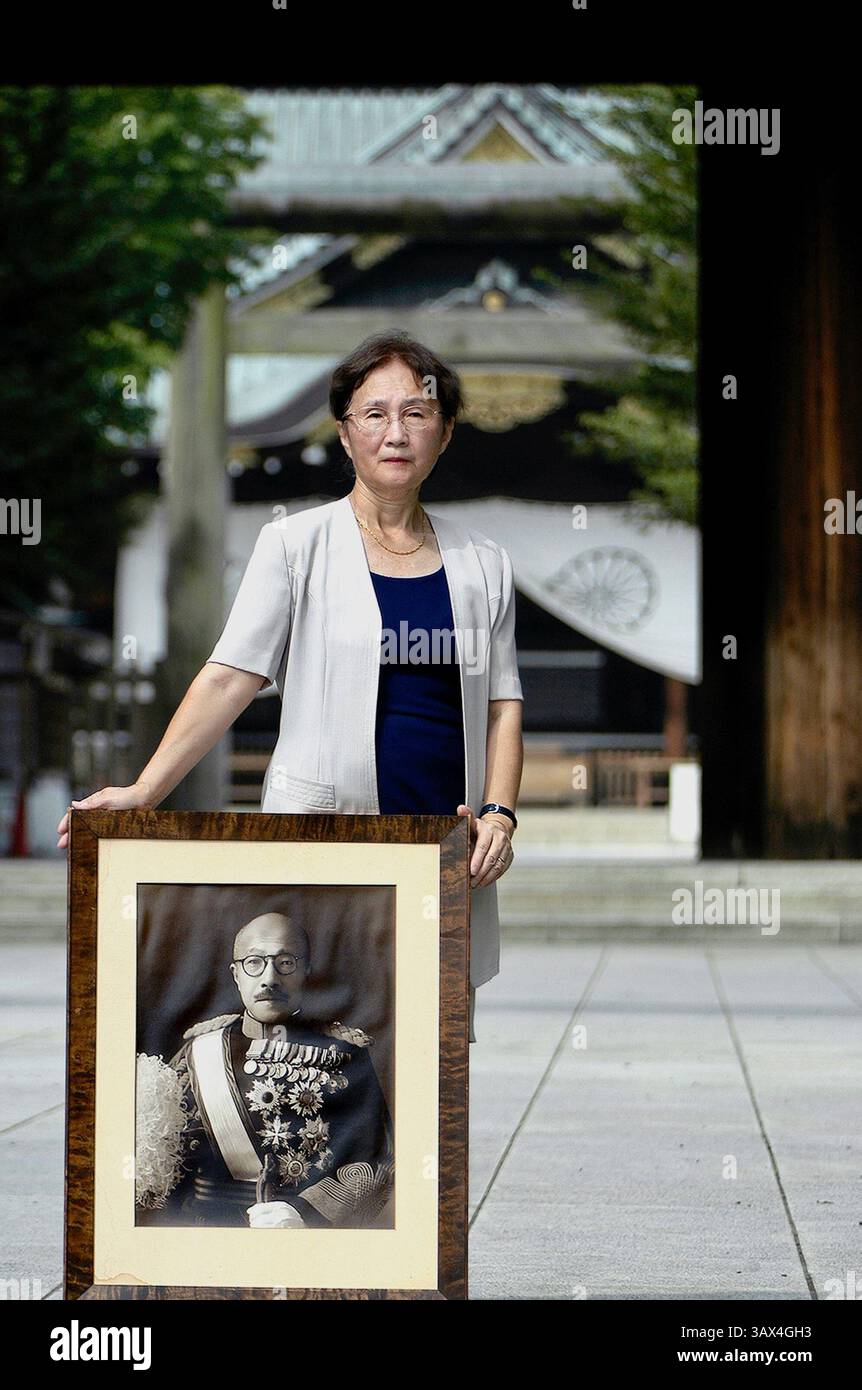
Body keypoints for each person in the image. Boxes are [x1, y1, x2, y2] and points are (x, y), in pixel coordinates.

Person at [57, 331, 525, 1041]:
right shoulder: (296, 546)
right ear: (344, 434)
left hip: (442, 840)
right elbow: (228, 676)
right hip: (322, 831)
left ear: (446, 430)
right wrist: (144, 791)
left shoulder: (482, 562)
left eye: (417, 413)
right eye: (374, 414)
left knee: (426, 1057)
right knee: (317, 1049)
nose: (395, 432)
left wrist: (499, 815)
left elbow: (503, 705)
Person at [136, 911, 393, 1229]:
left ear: (306, 971)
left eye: (285, 963)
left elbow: (378, 1158)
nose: (270, 978)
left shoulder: (344, 1054)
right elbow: (164, 1159)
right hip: (206, 1229)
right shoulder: (199, 1051)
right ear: (236, 974)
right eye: (254, 963)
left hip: (303, 1230)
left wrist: (306, 1212)